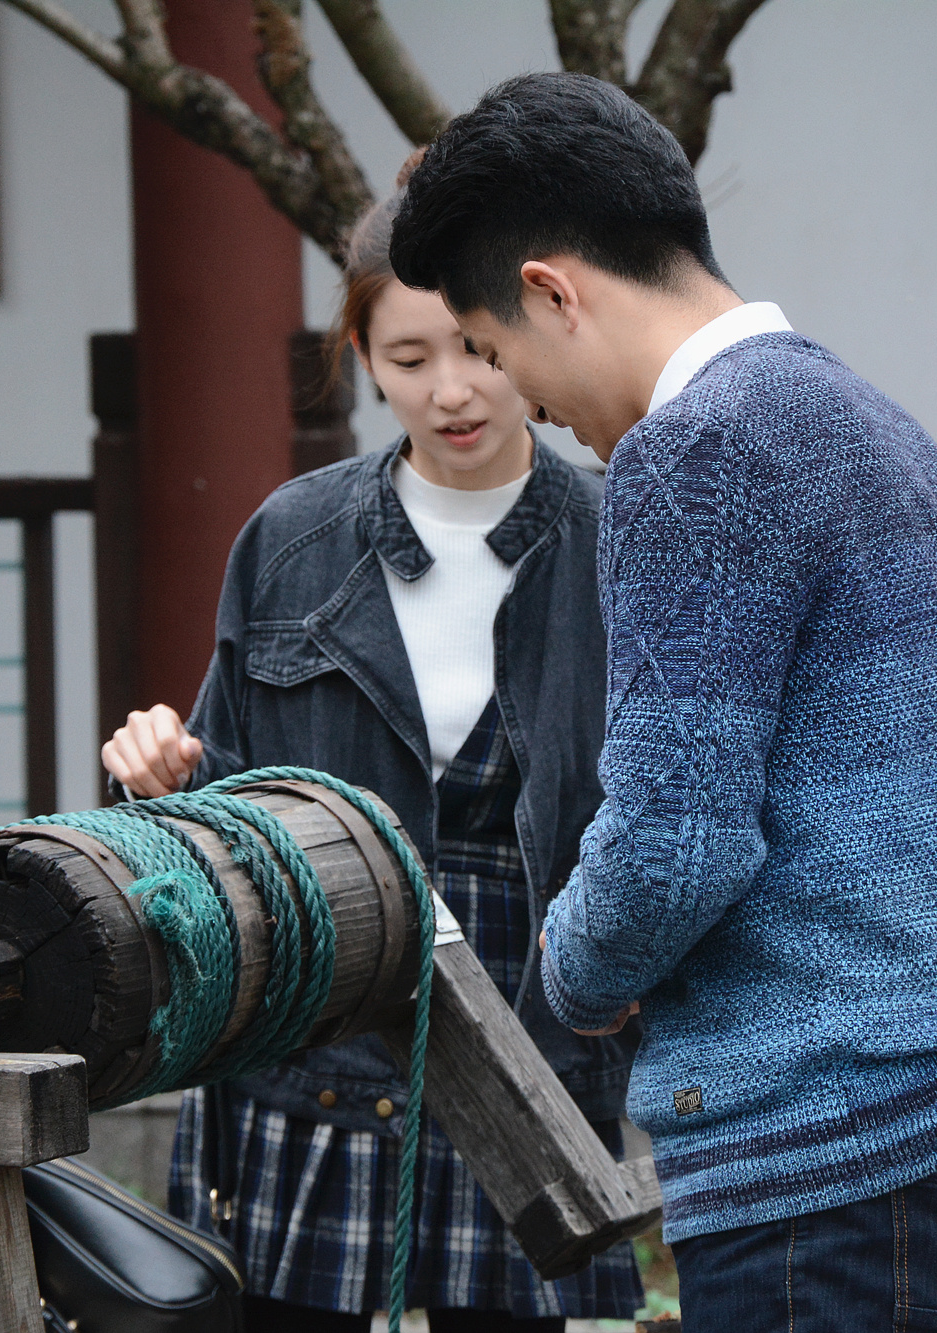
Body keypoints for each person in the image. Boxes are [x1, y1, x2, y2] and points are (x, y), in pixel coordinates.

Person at [389, 73, 937, 1333]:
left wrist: (575, 973)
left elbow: (673, 845)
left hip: (822, 1171)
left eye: (497, 352)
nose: (523, 399)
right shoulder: (869, 421)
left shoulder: (694, 452)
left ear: (551, 292)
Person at [100, 177, 643, 1333]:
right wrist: (157, 774)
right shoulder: (291, 540)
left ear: (522, 327)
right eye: (406, 358)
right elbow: (226, 805)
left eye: (473, 349)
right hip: (324, 1030)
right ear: (358, 356)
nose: (449, 391)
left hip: (527, 1038)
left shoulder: (615, 537)